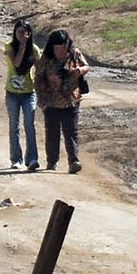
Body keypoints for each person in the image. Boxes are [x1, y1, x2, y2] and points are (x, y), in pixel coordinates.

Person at [35, 28, 89, 173]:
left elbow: (86, 66)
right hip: (51, 100)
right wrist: (40, 98)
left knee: (71, 130)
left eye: (63, 48)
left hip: (71, 99)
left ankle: (73, 160)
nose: (61, 52)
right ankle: (52, 162)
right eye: (57, 48)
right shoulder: (46, 58)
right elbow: (38, 77)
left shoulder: (74, 53)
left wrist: (81, 71)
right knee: (52, 132)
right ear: (52, 47)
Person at [4, 19, 39, 171]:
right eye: (18, 32)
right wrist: (23, 46)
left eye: (24, 32)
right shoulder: (9, 47)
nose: (21, 35)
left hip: (28, 93)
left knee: (30, 125)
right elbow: (17, 63)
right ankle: (16, 159)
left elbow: (40, 69)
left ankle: (32, 159)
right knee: (14, 126)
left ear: (29, 34)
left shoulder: (35, 49)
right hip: (12, 93)